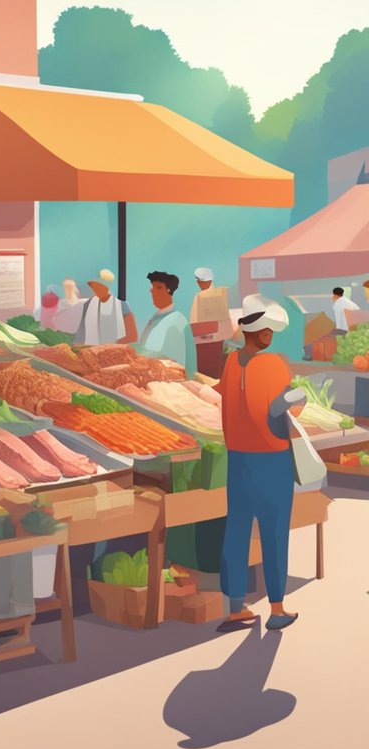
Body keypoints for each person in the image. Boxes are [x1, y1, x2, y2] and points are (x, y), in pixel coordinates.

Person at [214, 294, 304, 633]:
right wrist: (299, 402)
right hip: (272, 460)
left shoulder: (230, 362)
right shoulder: (274, 365)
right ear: (261, 331)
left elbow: (231, 400)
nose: (270, 334)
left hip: (238, 461)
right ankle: (277, 608)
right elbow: (280, 412)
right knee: (274, 532)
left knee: (236, 531)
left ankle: (235, 608)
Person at [138, 271, 195, 376]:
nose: (153, 292)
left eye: (158, 288)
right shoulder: (155, 318)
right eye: (152, 288)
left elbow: (175, 362)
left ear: (169, 290)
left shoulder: (176, 320)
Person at [74, 272, 137, 345]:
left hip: (115, 352)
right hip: (91, 352)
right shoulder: (87, 307)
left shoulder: (122, 306)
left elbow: (132, 337)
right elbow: (79, 339)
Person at [191, 267, 232, 378]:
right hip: (226, 339)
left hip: (206, 342)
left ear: (199, 282)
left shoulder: (199, 297)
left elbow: (194, 324)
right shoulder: (225, 291)